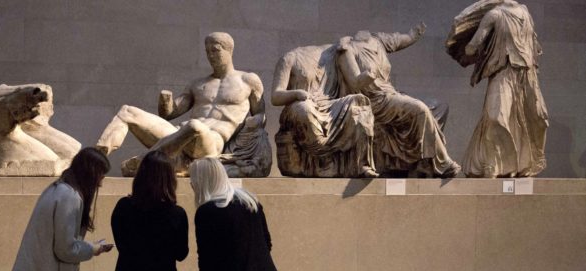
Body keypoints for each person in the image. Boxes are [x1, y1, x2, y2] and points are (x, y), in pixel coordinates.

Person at [96, 32, 266, 174]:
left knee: (195, 127)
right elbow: (169, 114)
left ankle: (145, 161)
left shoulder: (248, 80)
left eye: (215, 50)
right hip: (178, 136)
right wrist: (166, 100)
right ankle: (96, 159)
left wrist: (254, 126)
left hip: (210, 143)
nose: (211, 56)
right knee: (127, 111)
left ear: (229, 50)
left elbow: (260, 114)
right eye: (207, 51)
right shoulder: (198, 84)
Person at [337, 24, 461, 177]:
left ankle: (422, 161)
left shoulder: (378, 40)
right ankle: (442, 161)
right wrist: (369, 74)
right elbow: (354, 82)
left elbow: (405, 38)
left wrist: (415, 34)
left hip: (391, 96)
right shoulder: (347, 49)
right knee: (420, 109)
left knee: (440, 107)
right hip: (375, 102)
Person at [450, 0, 548, 177]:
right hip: (503, 72)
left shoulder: (526, 14)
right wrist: (470, 49)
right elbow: (473, 47)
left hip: (527, 74)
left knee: (537, 118)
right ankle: (492, 164)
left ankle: (519, 165)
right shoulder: (494, 15)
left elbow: (533, 44)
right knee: (496, 116)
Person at [271, 43, 378, 178]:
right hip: (300, 105)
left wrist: (368, 74)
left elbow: (355, 82)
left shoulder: (337, 54)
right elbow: (275, 96)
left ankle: (361, 164)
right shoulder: (290, 58)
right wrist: (296, 94)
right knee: (305, 109)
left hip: (330, 105)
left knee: (359, 103)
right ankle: (323, 154)